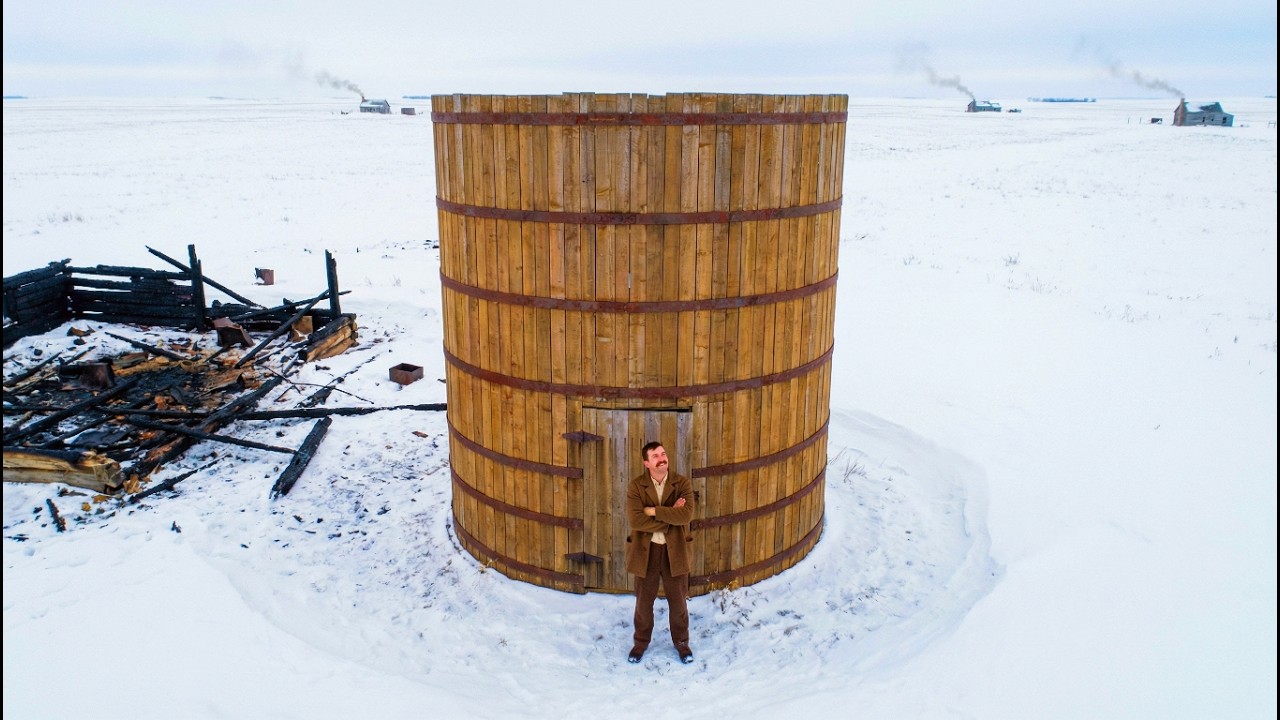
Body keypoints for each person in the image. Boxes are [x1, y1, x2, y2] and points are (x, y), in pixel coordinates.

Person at [625, 440, 696, 664]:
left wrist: (653, 511)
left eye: (663, 453)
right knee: (644, 603)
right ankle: (640, 643)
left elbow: (685, 516)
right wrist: (668, 517)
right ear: (647, 463)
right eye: (655, 456)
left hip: (674, 551)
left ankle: (682, 643)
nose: (661, 458)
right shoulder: (636, 486)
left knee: (678, 602)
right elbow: (636, 520)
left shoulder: (682, 483)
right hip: (646, 552)